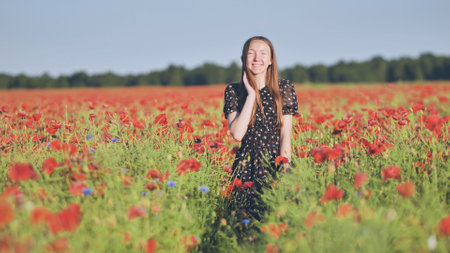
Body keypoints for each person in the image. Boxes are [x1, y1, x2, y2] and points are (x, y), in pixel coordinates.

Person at [222, 36, 299, 226]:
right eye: (251, 53)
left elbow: (285, 135)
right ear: (243, 59)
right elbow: (237, 134)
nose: (257, 58)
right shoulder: (233, 90)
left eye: (263, 53)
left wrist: (285, 169)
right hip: (246, 166)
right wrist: (251, 95)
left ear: (271, 60)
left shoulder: (284, 88)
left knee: (276, 222)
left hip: (274, 163)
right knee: (244, 224)